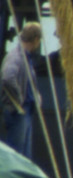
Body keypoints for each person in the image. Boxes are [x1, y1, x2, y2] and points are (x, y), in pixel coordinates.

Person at [1, 22, 42, 158]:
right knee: (17, 155)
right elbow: (7, 77)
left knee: (25, 155)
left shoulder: (26, 58)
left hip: (26, 110)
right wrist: (19, 99)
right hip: (19, 111)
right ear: (36, 39)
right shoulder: (16, 57)